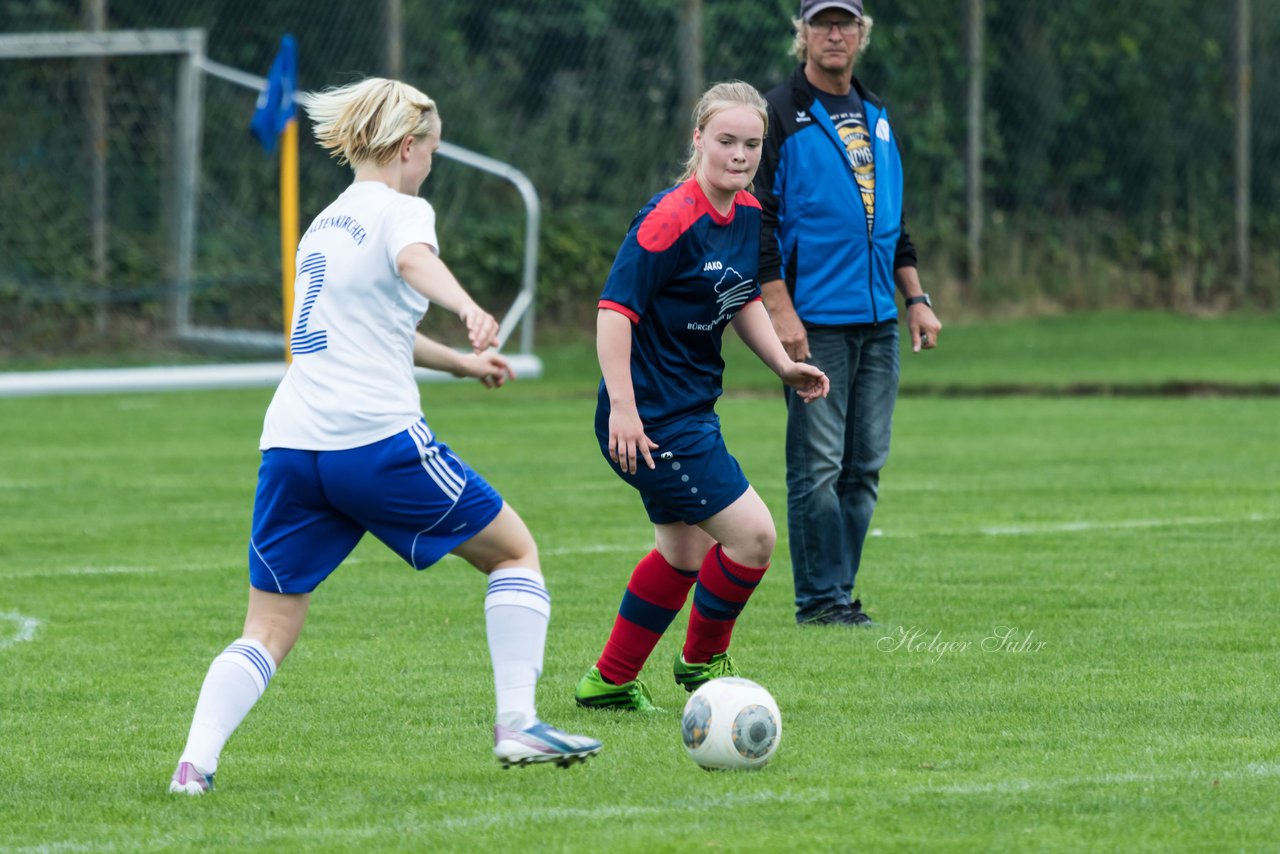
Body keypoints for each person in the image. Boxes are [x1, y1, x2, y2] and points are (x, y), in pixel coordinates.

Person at [167, 77, 600, 795]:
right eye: (430, 151)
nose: (430, 164)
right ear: (408, 147)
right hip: (372, 443)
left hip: (292, 446)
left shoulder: (326, 223)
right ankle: (519, 723)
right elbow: (413, 263)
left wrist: (460, 362)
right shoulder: (405, 210)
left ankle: (194, 766)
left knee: (267, 628)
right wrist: (467, 307)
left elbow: (376, 322)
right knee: (515, 553)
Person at [573, 81, 830, 712]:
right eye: (726, 141)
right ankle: (702, 664)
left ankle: (607, 682)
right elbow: (613, 314)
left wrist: (781, 364)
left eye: (751, 144)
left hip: (689, 411)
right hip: (652, 417)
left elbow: (739, 297)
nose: (739, 155)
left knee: (683, 551)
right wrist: (626, 412)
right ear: (698, 140)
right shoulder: (669, 219)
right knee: (753, 537)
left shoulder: (746, 215)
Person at [754, 0, 943, 627]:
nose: (833, 33)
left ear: (862, 34)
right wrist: (780, 312)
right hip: (815, 320)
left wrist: (914, 298)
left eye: (845, 23)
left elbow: (891, 224)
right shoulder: (778, 114)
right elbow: (761, 223)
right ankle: (822, 601)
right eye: (821, 23)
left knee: (864, 466)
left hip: (879, 321)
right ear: (801, 34)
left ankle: (840, 592)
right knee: (818, 467)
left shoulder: (878, 116)